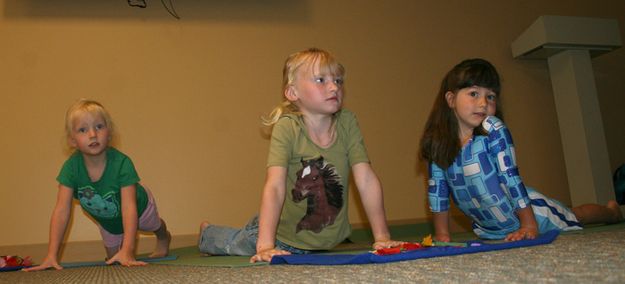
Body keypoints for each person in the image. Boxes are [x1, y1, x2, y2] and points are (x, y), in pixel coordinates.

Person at [199, 48, 403, 263]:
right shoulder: (287, 128)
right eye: (321, 80)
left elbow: (366, 179)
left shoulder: (347, 123)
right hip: (282, 235)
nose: (334, 86)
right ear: (293, 93)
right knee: (237, 243)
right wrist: (266, 245)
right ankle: (208, 233)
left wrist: (382, 237)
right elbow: (275, 186)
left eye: (338, 80)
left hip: (328, 241)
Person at [419, 58, 623, 242]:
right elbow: (438, 192)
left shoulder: (493, 135)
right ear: (451, 99)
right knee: (571, 212)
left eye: (490, 96)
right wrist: (442, 235)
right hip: (490, 228)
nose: (483, 103)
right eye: (474, 93)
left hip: (533, 212)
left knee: (574, 215)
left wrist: (529, 224)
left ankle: (611, 212)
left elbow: (510, 177)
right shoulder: (440, 145)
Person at [25, 99, 171, 271]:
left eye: (99, 127)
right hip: (107, 219)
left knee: (152, 225)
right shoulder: (71, 169)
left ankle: (164, 236)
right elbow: (61, 210)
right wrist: (51, 255)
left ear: (109, 134)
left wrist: (128, 250)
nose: (93, 134)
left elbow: (128, 207)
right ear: (73, 140)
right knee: (113, 261)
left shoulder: (122, 163)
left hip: (139, 206)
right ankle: (120, 247)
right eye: (83, 129)